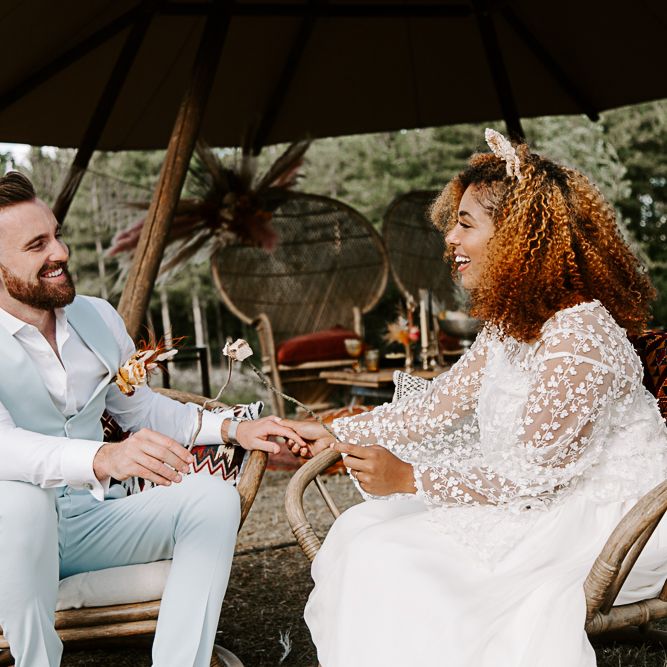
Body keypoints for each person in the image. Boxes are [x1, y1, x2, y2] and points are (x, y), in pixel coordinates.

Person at [285, 129, 667, 667]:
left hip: (610, 525)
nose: (450, 239)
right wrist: (332, 432)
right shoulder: (510, 327)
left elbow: (537, 475)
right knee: (358, 530)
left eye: (465, 224)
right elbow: (434, 409)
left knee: (384, 554)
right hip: (539, 499)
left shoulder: (580, 335)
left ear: (517, 236)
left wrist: (411, 478)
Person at [0, 171, 306, 667]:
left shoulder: (96, 317)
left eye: (57, 235)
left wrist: (233, 428)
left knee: (213, 500)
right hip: (10, 533)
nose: (61, 252)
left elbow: (140, 408)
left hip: (91, 519)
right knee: (20, 500)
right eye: (37, 245)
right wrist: (104, 457)